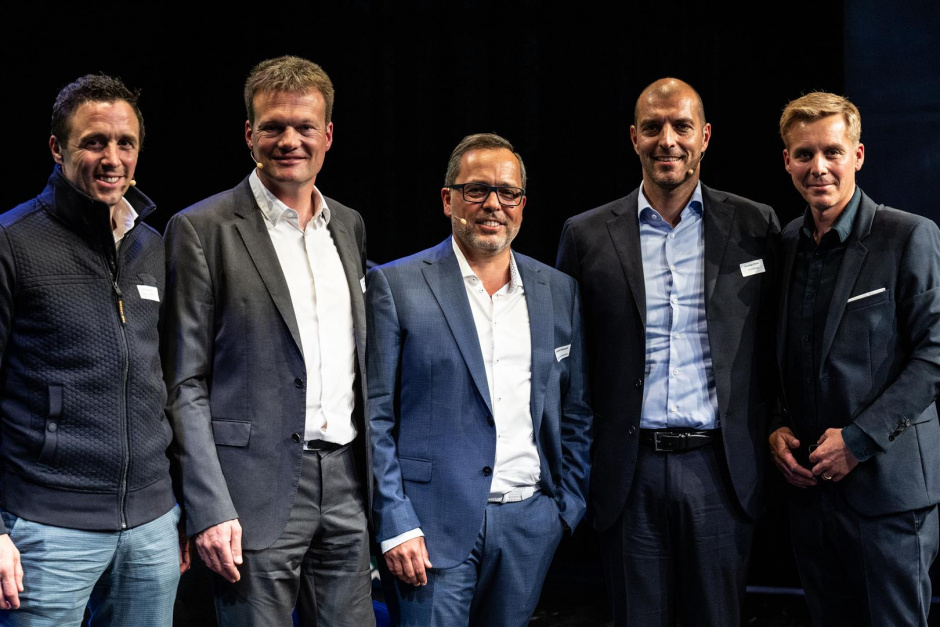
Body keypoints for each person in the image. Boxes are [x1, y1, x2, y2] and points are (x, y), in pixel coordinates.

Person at [556, 77, 780, 626]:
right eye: (653, 127)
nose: (668, 140)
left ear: (705, 136)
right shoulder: (586, 235)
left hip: (721, 472)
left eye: (682, 126)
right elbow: (566, 361)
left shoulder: (757, 225)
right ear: (634, 137)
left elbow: (777, 345)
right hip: (627, 473)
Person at [162, 56, 374, 626]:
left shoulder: (348, 225)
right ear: (249, 133)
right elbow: (184, 383)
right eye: (273, 126)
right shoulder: (201, 229)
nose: (289, 141)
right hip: (249, 494)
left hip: (347, 483)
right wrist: (208, 505)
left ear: (328, 135)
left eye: (305, 127)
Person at [367, 132, 592, 626]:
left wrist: (564, 510)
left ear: (522, 205)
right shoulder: (396, 284)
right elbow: (375, 417)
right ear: (448, 199)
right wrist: (396, 521)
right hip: (427, 532)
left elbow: (575, 410)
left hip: (529, 527)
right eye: (476, 190)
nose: (493, 204)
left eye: (508, 192)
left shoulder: (559, 291)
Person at [0, 73, 185, 625]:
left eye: (126, 143)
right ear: (57, 149)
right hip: (45, 530)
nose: (112, 158)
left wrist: (180, 509)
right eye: (94, 142)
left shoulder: (152, 247)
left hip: (152, 526)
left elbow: (171, 385)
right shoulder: (12, 242)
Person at [769, 91, 940, 626]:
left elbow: (934, 354)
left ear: (858, 155)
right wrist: (777, 423)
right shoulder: (785, 242)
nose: (818, 167)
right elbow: (785, 355)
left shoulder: (908, 235)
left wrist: (858, 441)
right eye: (804, 154)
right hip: (811, 497)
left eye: (832, 152)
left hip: (888, 496)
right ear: (787, 161)